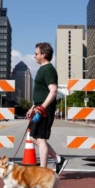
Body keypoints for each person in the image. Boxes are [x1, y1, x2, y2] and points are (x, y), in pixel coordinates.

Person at [26, 42, 68, 175]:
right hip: (39, 107)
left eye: (36, 53)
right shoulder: (42, 69)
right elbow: (42, 91)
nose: (34, 56)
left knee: (41, 138)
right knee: (34, 137)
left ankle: (43, 173)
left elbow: (53, 91)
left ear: (43, 54)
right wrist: (33, 107)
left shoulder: (49, 69)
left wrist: (42, 107)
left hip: (45, 109)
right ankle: (58, 159)